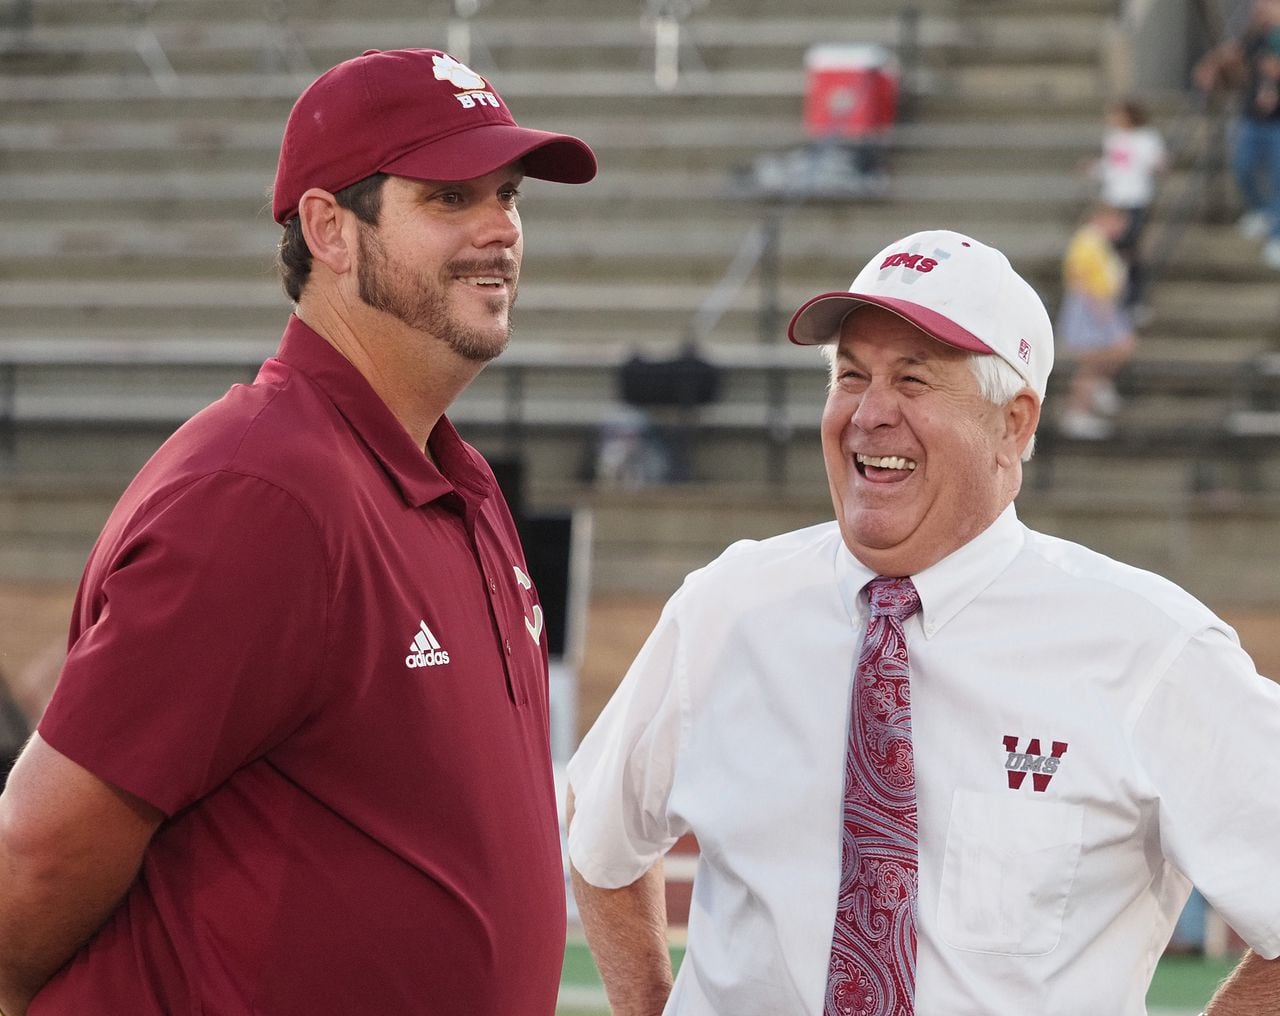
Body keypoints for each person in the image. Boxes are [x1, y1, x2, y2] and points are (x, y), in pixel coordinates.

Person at [0, 47, 596, 1016]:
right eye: (449, 199)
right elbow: (38, 852)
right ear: (330, 228)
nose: (500, 230)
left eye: (509, 195)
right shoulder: (264, 491)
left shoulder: (461, 482)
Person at [566, 229, 1280, 1015]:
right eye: (851, 375)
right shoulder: (726, 607)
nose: (870, 414)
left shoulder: (1148, 648)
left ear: (1013, 424)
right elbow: (600, 840)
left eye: (913, 379)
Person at [1195, 0, 1280, 269]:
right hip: (1252, 117)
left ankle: (1277, 236)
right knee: (1242, 166)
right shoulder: (1257, 35)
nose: (1260, 7)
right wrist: (1210, 66)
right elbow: (1232, 54)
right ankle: (1262, 211)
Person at [1055, 202, 1137, 439]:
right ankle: (1078, 411)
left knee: (1112, 352)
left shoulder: (1097, 242)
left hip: (1100, 305)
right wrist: (1102, 312)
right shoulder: (1088, 241)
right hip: (1093, 308)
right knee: (1093, 361)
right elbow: (1082, 278)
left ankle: (1095, 391)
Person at [1089, 97, 1167, 319]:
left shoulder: (1147, 138)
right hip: (1114, 199)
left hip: (1136, 199)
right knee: (1112, 250)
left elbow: (1155, 164)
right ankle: (1116, 296)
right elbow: (1111, 167)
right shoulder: (1113, 138)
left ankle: (1133, 299)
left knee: (1129, 248)